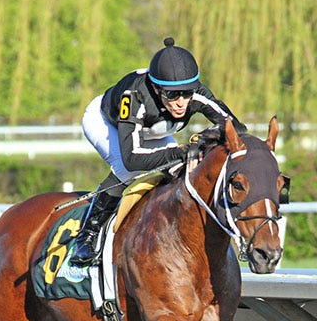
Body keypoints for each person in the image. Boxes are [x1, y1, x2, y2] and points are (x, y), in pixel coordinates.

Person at [69, 36, 248, 266]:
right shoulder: (135, 96)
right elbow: (132, 158)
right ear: (155, 88)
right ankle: (87, 235)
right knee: (126, 171)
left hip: (153, 131)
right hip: (107, 123)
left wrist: (203, 140)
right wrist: (181, 153)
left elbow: (236, 128)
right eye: (172, 95)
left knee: (180, 171)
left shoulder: (195, 92)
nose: (181, 102)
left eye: (187, 93)